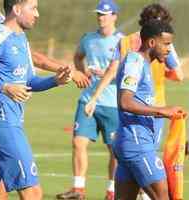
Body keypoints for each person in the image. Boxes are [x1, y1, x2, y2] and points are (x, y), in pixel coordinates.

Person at [0, 0, 71, 199]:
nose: (37, 14)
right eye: (33, 8)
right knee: (33, 191)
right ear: (16, 9)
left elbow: (29, 81)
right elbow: (9, 86)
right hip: (3, 125)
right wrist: (4, 87)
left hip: (6, 125)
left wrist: (55, 81)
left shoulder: (21, 38)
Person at [55, 0, 123, 200]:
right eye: (99, 14)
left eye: (105, 14)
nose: (101, 17)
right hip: (87, 100)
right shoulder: (88, 38)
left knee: (115, 151)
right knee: (78, 142)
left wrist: (108, 74)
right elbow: (78, 57)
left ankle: (112, 192)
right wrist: (84, 72)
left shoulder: (123, 41)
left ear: (114, 16)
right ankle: (78, 190)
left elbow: (129, 71)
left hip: (112, 104)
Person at [114, 19, 183, 200]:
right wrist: (162, 111)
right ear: (151, 43)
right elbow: (125, 102)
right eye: (166, 44)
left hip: (131, 144)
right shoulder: (135, 61)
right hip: (137, 145)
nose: (169, 49)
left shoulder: (144, 64)